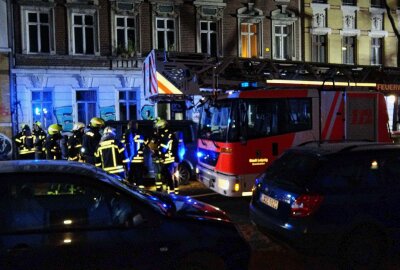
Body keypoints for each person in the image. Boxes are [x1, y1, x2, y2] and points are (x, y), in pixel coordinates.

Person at [151, 118, 178, 194]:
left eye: (158, 128)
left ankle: (171, 192)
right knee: (166, 175)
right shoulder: (168, 135)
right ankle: (169, 191)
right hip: (167, 159)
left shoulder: (166, 136)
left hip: (167, 159)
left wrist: (156, 148)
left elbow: (162, 149)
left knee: (167, 175)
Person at [122, 121, 145, 187]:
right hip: (139, 159)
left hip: (130, 159)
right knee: (139, 178)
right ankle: (141, 193)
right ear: (136, 126)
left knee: (130, 178)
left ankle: (131, 193)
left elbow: (123, 146)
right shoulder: (141, 135)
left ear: (128, 126)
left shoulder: (125, 135)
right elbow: (143, 145)